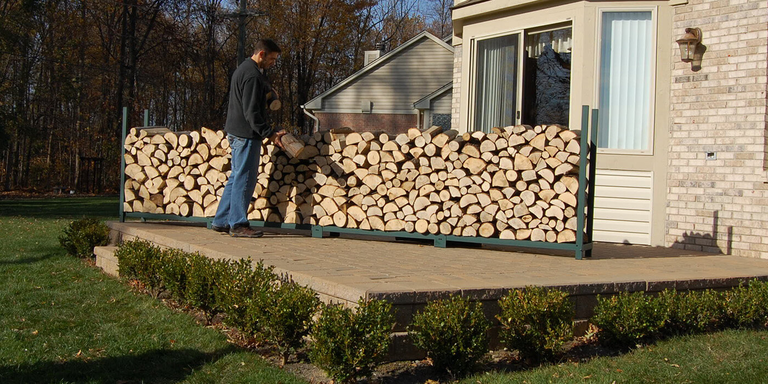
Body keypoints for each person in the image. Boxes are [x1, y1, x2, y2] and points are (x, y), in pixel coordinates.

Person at [211, 39, 287, 238]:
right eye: (271, 59)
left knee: (235, 177)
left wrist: (269, 93)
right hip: (246, 134)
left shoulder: (244, 69)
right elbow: (251, 112)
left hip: (235, 131)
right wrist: (269, 133)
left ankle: (220, 221)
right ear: (261, 54)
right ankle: (238, 224)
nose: (273, 63)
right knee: (245, 179)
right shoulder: (252, 75)